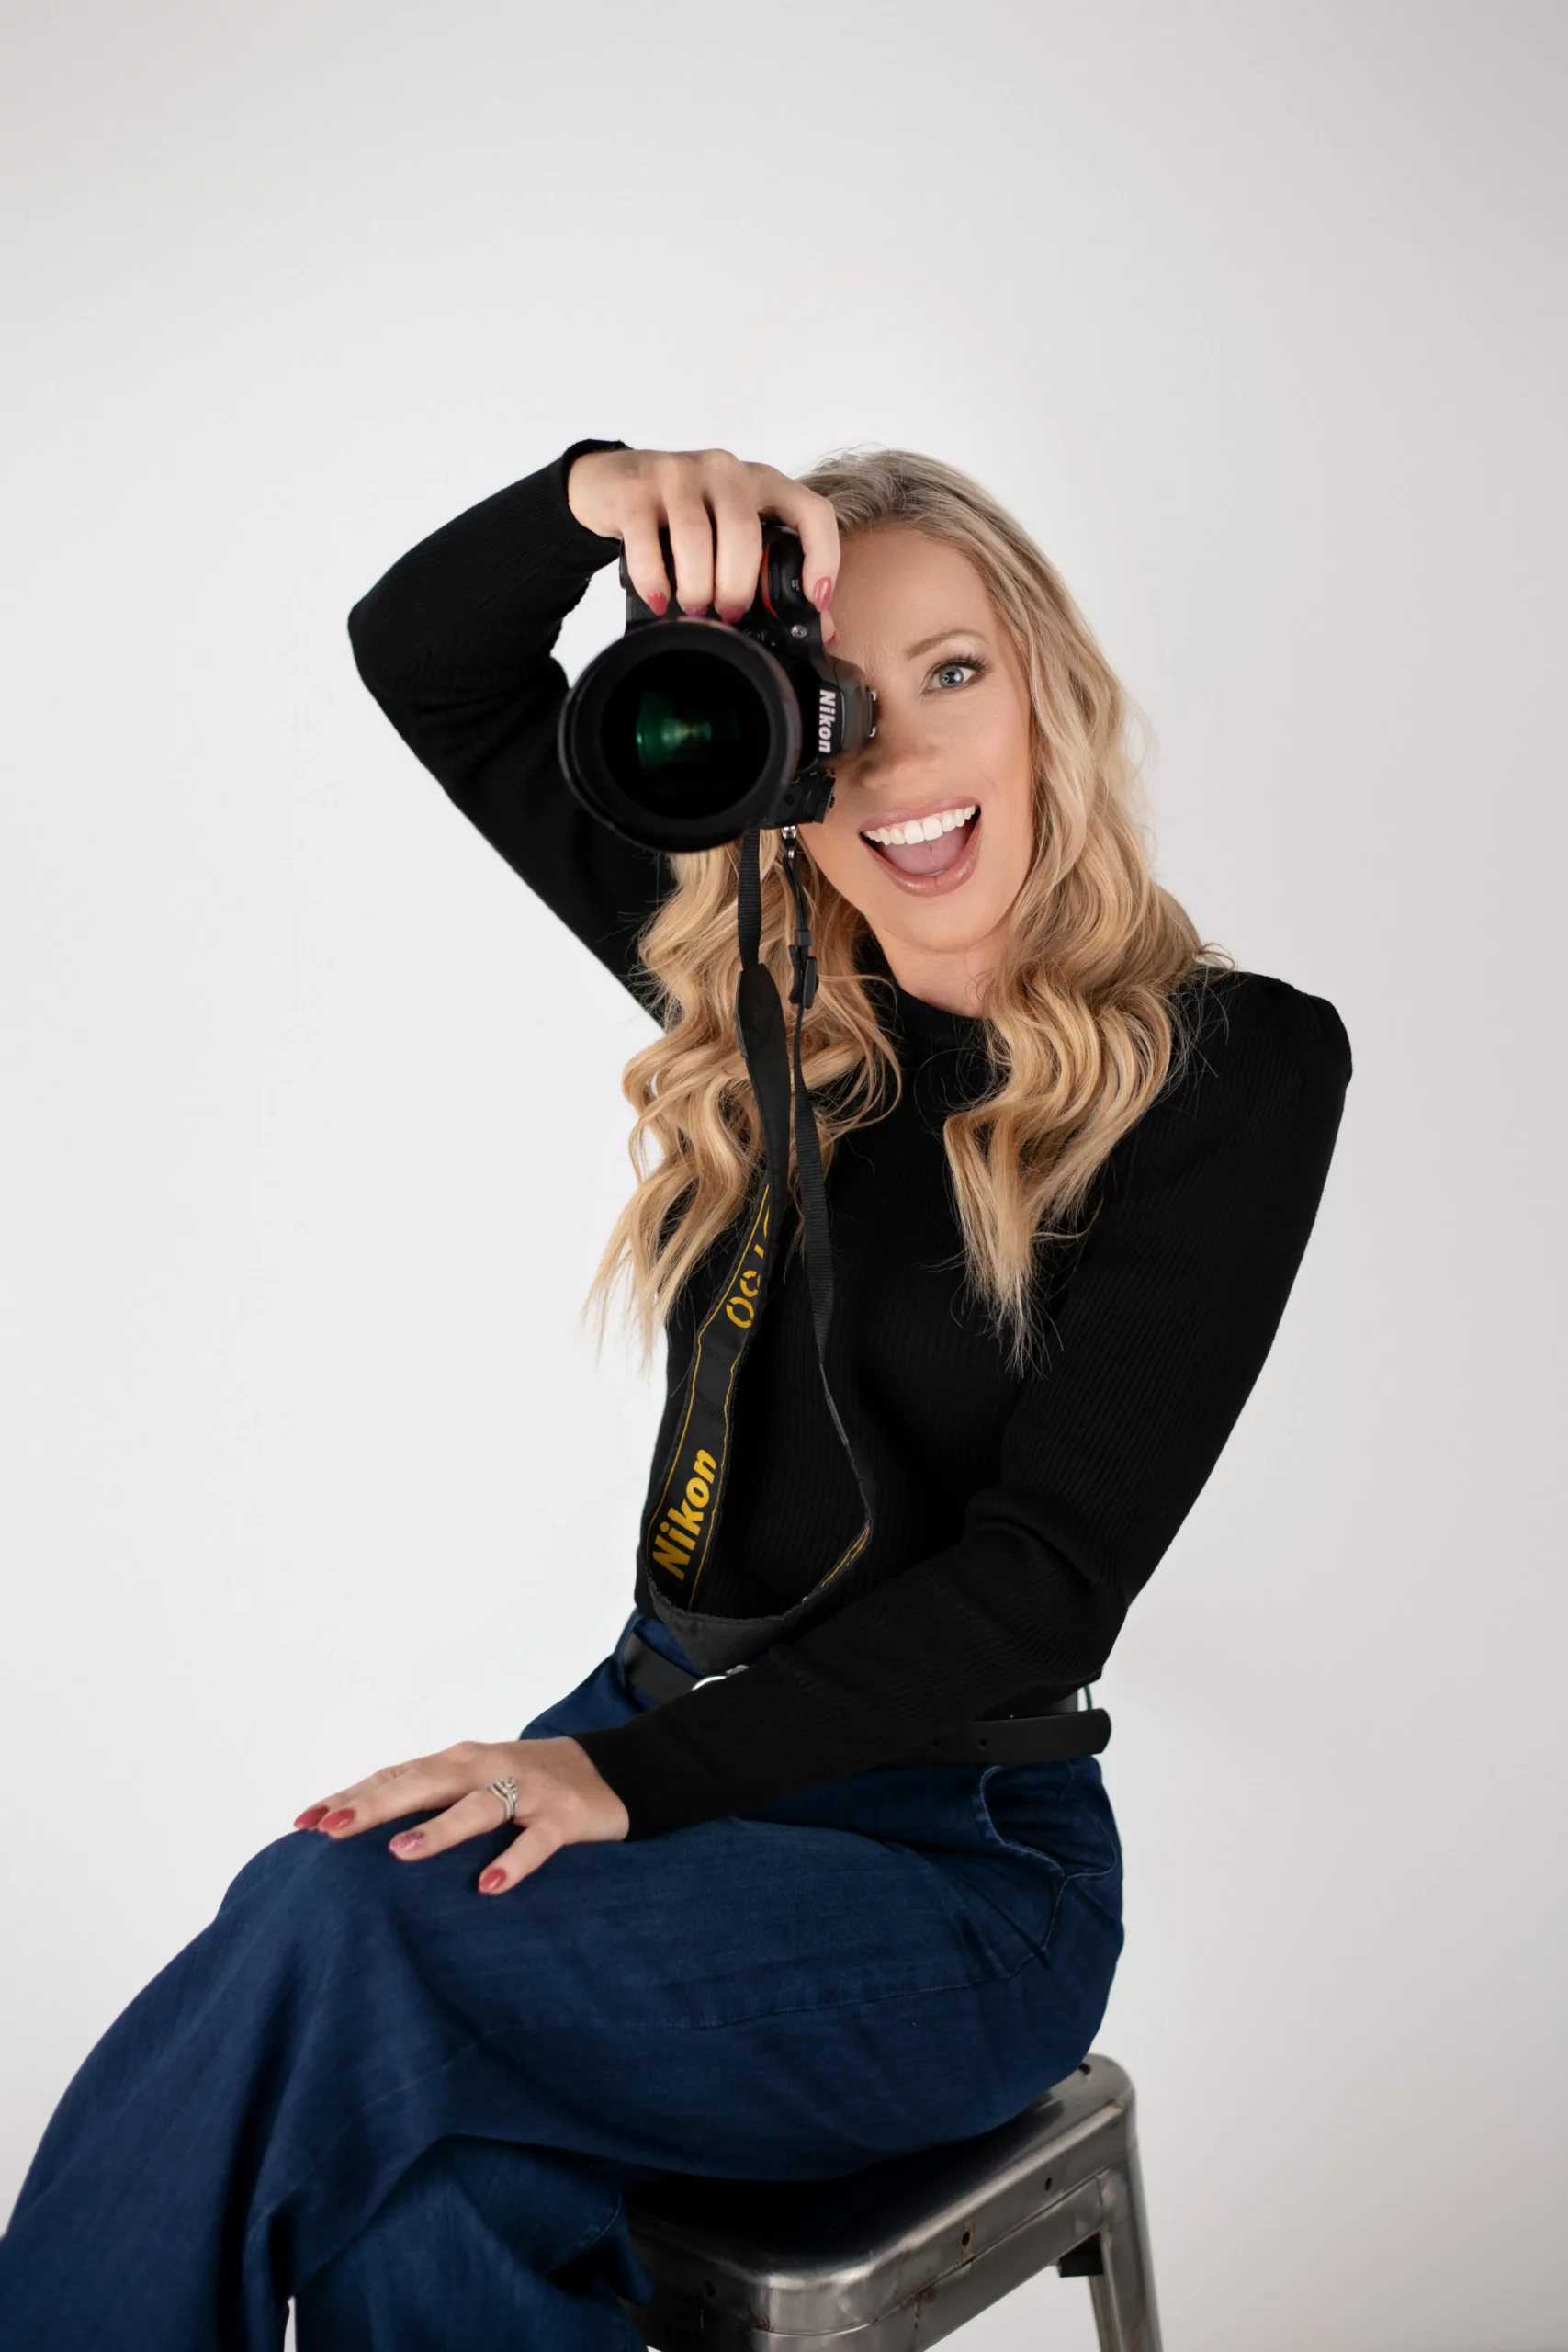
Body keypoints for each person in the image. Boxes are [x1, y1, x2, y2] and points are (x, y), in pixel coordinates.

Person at [0, 438, 1352, 2350]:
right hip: (647, 1753)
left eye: (953, 671)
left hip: (951, 1869)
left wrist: (616, 1778)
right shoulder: (773, 1005)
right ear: (776, 757)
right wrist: (601, 492)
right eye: (839, 708)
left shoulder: (1229, 1068)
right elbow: (430, 657)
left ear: (1050, 681)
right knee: (426, 2197)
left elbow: (1048, 1576)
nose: (901, 761)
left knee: (337, 1922)